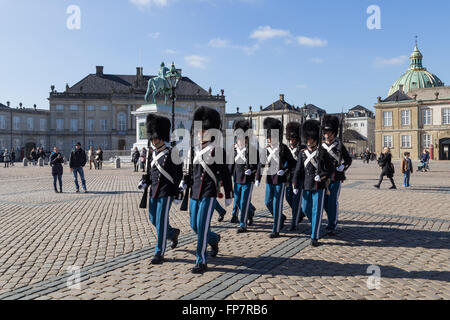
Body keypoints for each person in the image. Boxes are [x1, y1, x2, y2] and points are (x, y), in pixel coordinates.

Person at [179, 107, 233, 274]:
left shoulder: (217, 150)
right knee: (194, 225)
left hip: (209, 192)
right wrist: (184, 183)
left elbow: (225, 173)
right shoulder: (193, 150)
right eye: (199, 131)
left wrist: (228, 194)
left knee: (202, 226)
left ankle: (200, 259)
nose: (200, 134)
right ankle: (214, 238)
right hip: (195, 192)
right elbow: (189, 172)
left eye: (203, 130)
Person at [141, 114, 182, 265]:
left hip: (167, 191)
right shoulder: (153, 153)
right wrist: (145, 180)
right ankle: (172, 233)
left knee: (161, 221)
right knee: (153, 219)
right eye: (152, 138)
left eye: (155, 138)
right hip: (154, 191)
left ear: (161, 137)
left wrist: (178, 192)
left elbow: (178, 175)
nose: (153, 140)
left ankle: (159, 252)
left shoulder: (172, 152)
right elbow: (151, 172)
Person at [293, 120, 334, 247]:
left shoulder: (323, 152)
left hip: (319, 186)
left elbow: (330, 169)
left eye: (311, 138)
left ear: (315, 138)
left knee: (317, 211)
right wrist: (295, 183)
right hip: (306, 185)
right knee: (305, 208)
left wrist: (322, 176)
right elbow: (298, 170)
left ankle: (314, 236)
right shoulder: (302, 153)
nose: (309, 141)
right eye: (307, 138)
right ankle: (315, 224)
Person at [256, 118, 296, 239]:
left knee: (277, 204)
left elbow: (293, 163)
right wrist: (258, 177)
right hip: (269, 179)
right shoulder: (266, 149)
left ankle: (276, 228)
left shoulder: (283, 148)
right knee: (268, 202)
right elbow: (261, 164)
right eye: (268, 137)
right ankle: (280, 217)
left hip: (280, 180)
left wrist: (284, 170)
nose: (269, 139)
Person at [321, 115, 352, 236]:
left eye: (329, 133)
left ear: (333, 133)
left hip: (335, 177)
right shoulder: (321, 145)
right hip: (324, 178)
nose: (327, 135)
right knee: (324, 202)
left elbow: (348, 160)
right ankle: (332, 217)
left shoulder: (339, 145)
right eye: (325, 133)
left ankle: (332, 224)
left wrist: (343, 167)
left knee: (332, 201)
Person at [228, 120, 259, 234]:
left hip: (247, 180)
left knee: (244, 202)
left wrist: (252, 170)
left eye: (242, 138)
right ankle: (250, 213)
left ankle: (243, 224)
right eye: (238, 138)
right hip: (237, 179)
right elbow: (230, 165)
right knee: (238, 202)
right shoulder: (234, 149)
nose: (240, 140)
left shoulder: (252, 150)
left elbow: (258, 166)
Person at [285, 122, 306, 232]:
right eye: (290, 139)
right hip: (288, 177)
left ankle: (294, 223)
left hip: (298, 178)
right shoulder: (287, 148)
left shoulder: (302, 148)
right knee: (288, 198)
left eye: (293, 139)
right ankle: (300, 213)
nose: (291, 141)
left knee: (296, 201)